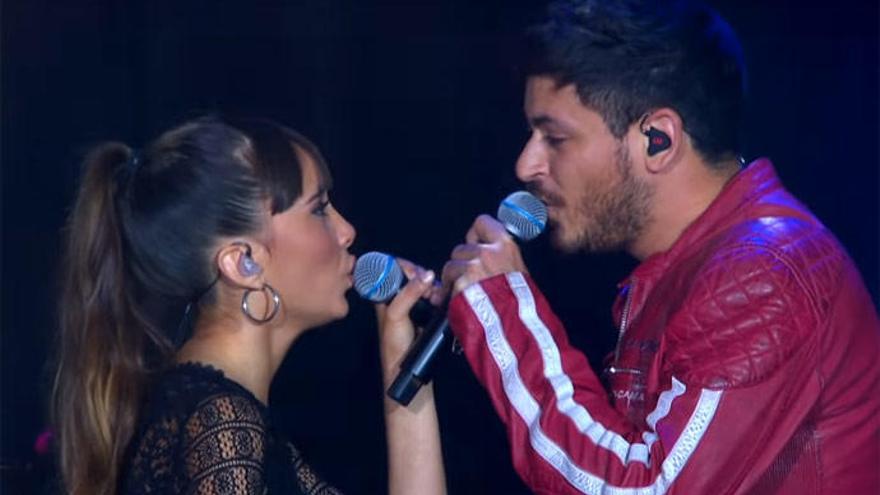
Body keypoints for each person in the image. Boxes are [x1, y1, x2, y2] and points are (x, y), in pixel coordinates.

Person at [440, 1, 880, 494]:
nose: (527, 165)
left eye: (554, 138)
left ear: (657, 139)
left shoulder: (764, 273)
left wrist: (505, 313)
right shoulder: (696, 266)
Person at [51, 116, 446, 495]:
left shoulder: (218, 414)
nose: (347, 231)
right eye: (320, 209)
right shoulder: (222, 423)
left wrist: (403, 358)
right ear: (243, 263)